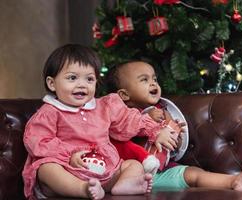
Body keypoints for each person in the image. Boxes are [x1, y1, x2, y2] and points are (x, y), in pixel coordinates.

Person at [22, 44, 178, 200]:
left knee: (132, 164)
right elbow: (39, 141)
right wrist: (68, 156)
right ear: (52, 83)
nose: (82, 84)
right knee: (46, 168)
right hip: (69, 169)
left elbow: (128, 121)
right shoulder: (50, 112)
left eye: (89, 79)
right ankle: (82, 189)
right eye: (72, 78)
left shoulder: (105, 106)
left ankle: (124, 185)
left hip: (106, 170)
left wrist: (154, 131)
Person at [105, 60, 242, 191]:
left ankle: (234, 181)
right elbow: (120, 135)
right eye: (144, 80)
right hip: (130, 175)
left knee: (195, 174)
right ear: (124, 94)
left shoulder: (163, 110)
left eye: (154, 79)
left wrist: (176, 136)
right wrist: (145, 119)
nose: (153, 83)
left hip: (160, 173)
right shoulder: (118, 114)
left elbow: (174, 148)